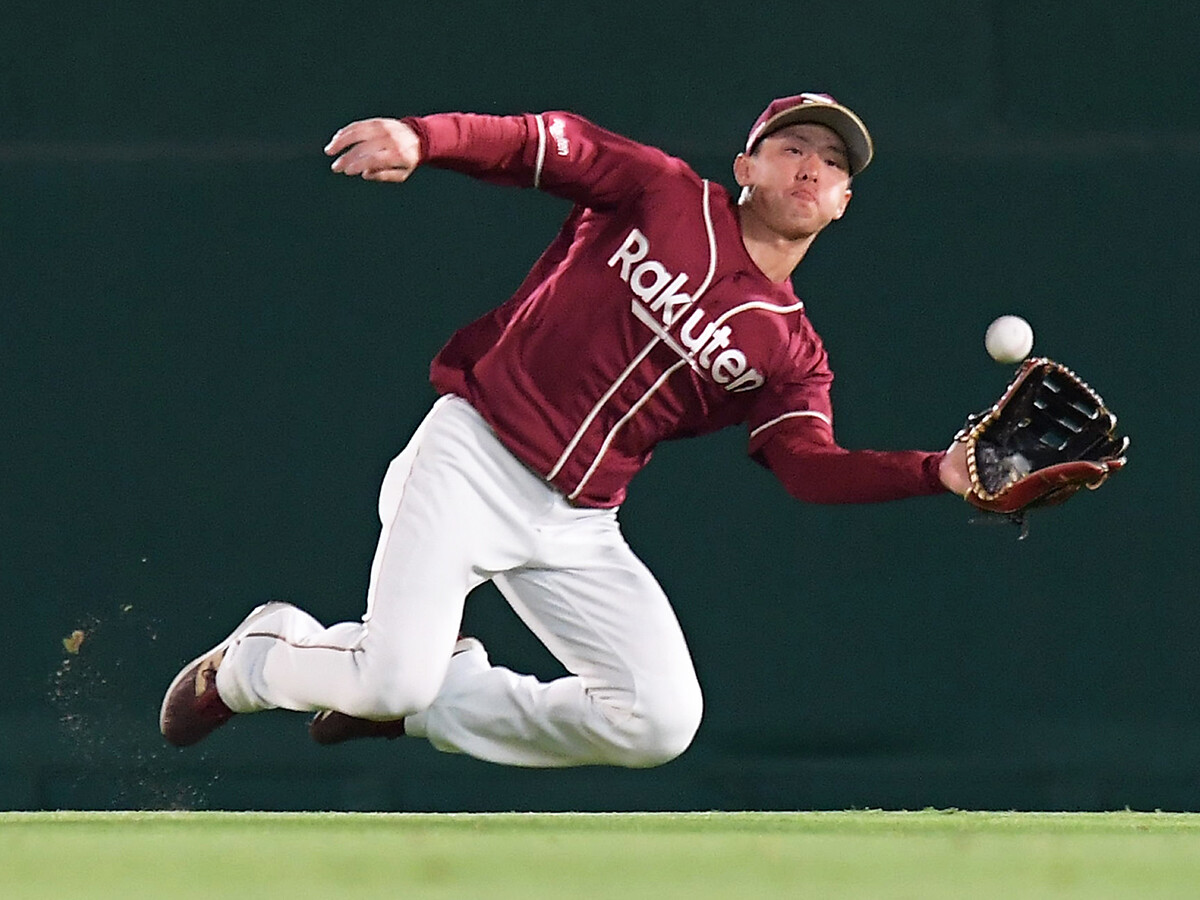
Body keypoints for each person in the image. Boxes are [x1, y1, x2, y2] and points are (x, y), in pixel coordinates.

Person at [160, 93, 972, 768]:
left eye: (833, 165)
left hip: (578, 523)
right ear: (746, 166)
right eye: (793, 146)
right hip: (471, 458)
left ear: (844, 203)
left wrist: (936, 472)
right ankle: (258, 659)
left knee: (657, 722)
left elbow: (807, 466)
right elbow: (537, 144)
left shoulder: (793, 353)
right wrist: (424, 138)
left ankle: (446, 700)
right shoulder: (663, 193)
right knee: (385, 680)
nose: (812, 168)